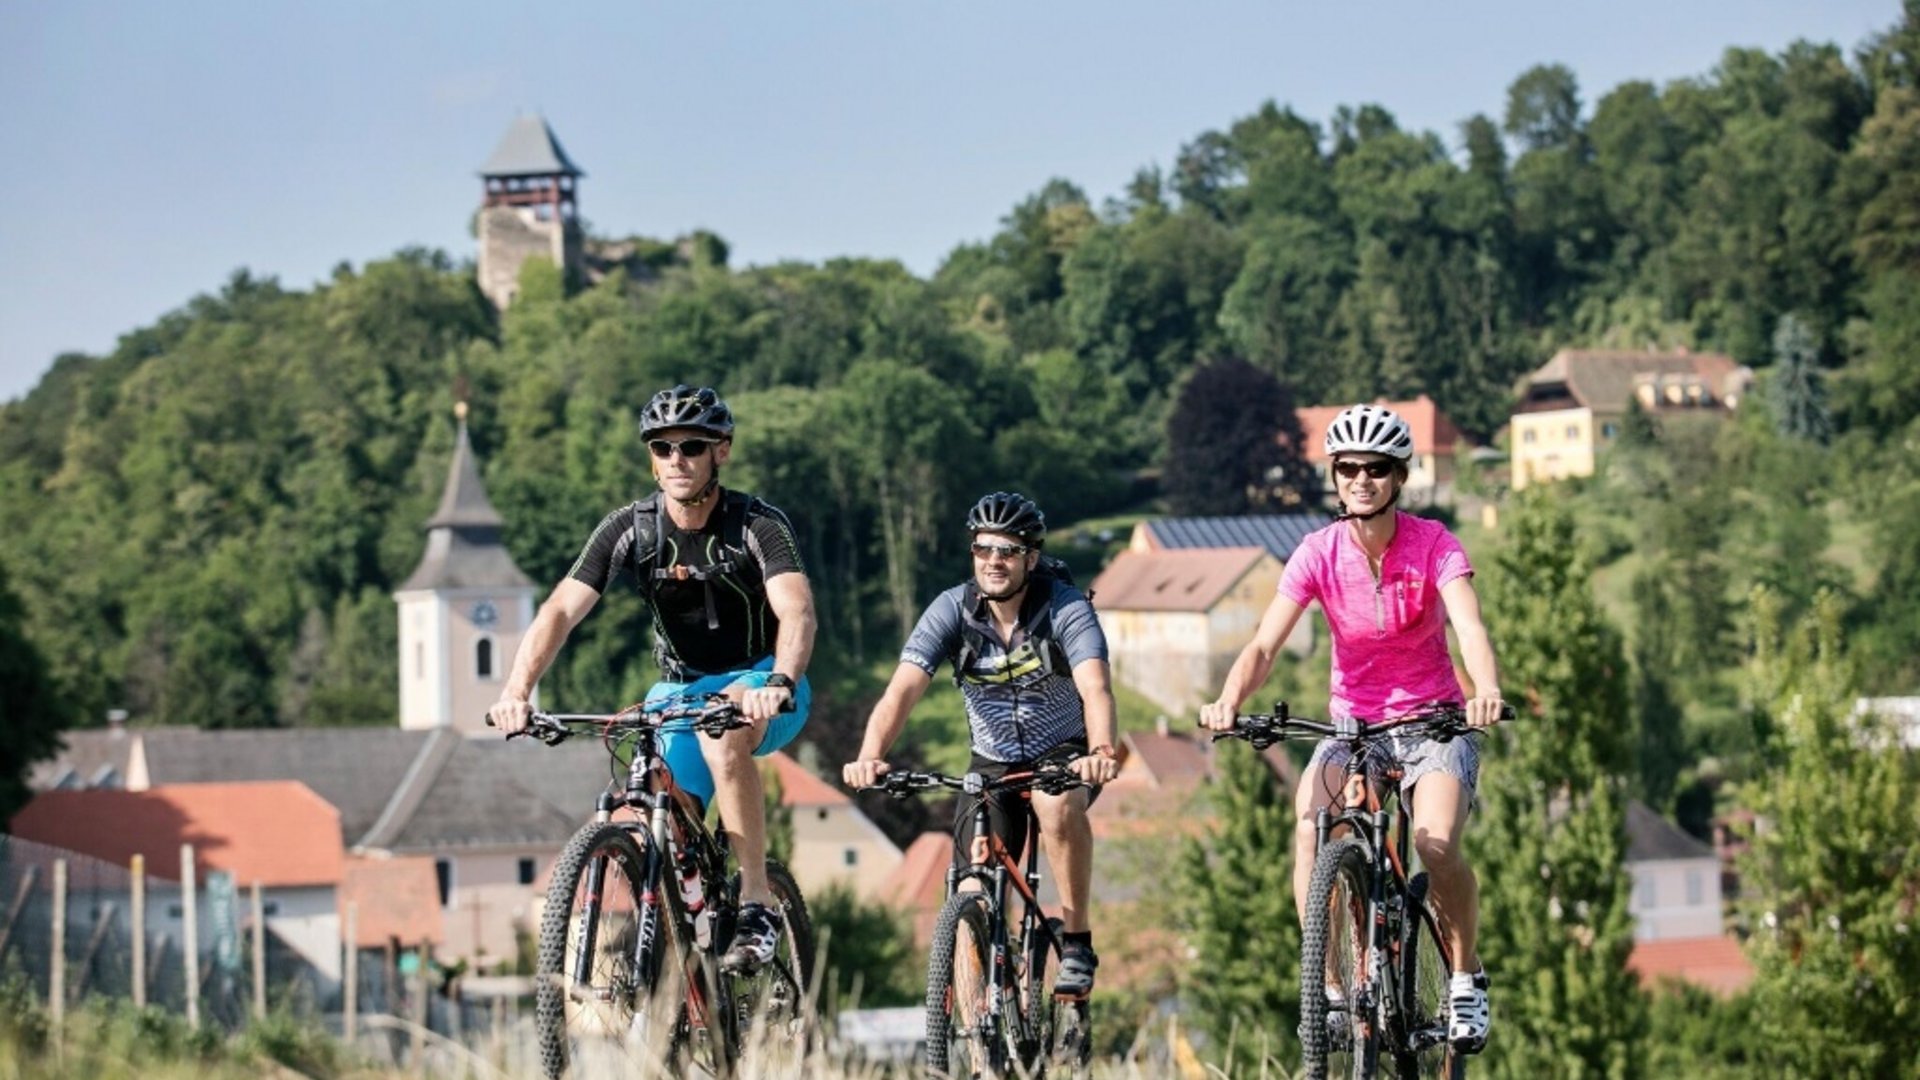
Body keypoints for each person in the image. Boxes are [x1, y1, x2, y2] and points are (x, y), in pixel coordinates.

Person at [1198, 403, 1505, 1053]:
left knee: (1436, 844)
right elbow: (1263, 646)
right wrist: (1228, 698)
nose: (1360, 479)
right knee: (1314, 831)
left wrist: (1488, 691)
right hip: (1354, 727)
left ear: (1398, 476)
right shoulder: (1317, 553)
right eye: (1347, 469)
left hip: (1436, 722)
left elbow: (1470, 629)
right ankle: (1333, 992)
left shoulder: (1435, 546)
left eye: (1374, 468)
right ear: (1333, 476)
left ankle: (1465, 977)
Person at [489, 384, 817, 974]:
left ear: (722, 452)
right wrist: (517, 692)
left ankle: (757, 902)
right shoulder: (630, 529)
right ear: (651, 458)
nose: (677, 460)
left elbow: (796, 610)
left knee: (725, 732)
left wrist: (782, 678)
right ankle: (681, 955)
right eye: (662, 449)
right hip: (679, 689)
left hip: (764, 680)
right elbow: (561, 610)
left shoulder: (757, 524)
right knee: (655, 812)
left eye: (692, 445)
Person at [843, 491, 1120, 997]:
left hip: (1063, 750)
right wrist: (870, 755)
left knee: (1055, 806)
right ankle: (979, 1042)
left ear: (1031, 559)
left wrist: (1101, 752)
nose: (994, 561)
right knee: (971, 885)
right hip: (990, 764)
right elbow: (901, 689)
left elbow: (1095, 686)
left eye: (1008, 551)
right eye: (983, 549)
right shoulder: (951, 610)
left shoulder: (1065, 609)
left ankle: (1077, 942)